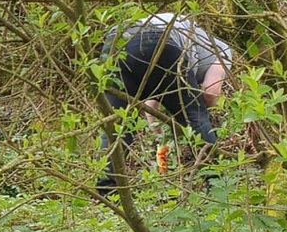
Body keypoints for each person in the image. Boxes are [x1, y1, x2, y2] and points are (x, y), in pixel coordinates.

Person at [96, 13, 233, 193]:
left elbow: (157, 89)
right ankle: (217, 187)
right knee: (195, 117)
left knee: (118, 124)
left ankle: (106, 191)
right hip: (160, 39)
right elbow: (210, 92)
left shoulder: (192, 35)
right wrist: (196, 109)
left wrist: (157, 128)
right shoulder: (222, 51)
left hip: (116, 40)